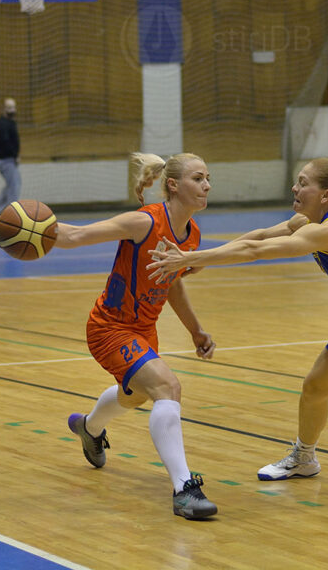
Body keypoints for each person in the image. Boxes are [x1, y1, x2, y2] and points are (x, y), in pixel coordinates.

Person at [146, 157, 328, 508]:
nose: (295, 188)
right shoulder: (305, 221)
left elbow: (256, 252)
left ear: (325, 195)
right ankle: (305, 458)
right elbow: (257, 237)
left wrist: (190, 258)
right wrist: (196, 257)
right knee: (315, 386)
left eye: (303, 182)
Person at [56, 152, 219, 519]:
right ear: (174, 185)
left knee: (134, 398)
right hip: (110, 328)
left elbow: (171, 284)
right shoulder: (143, 223)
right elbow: (76, 235)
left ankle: (89, 428)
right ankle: (184, 490)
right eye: (198, 177)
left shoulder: (191, 233)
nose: (207, 185)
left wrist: (195, 330)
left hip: (144, 330)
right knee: (168, 387)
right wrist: (26, 227)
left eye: (208, 177)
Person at [0, 98, 20, 215]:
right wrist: (14, 155)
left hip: (10, 159)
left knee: (13, 183)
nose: (12, 110)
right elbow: (6, 142)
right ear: (4, 109)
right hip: (5, 160)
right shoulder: (2, 124)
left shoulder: (11, 122)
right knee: (14, 184)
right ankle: (12, 212)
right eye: (9, 108)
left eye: (13, 107)